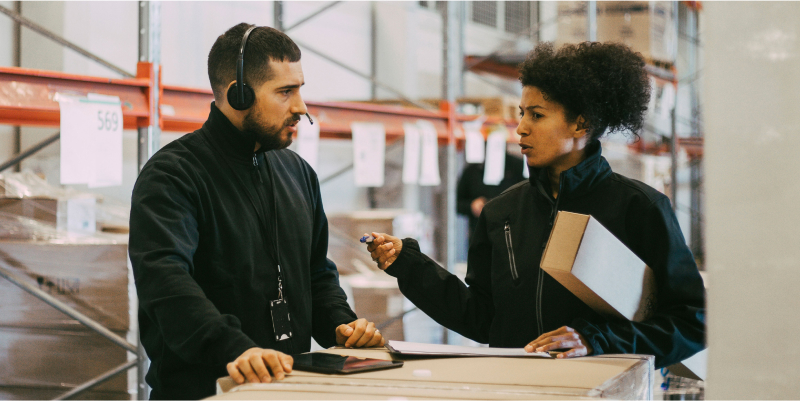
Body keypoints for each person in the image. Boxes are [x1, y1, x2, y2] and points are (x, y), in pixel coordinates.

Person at [366, 42, 705, 368]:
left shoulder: (640, 208)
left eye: (537, 115)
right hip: (516, 389)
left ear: (581, 122)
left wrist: (596, 340)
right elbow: (483, 319)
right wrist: (410, 266)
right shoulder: (501, 212)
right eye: (521, 113)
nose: (521, 128)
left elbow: (694, 323)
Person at [129, 24, 383, 400]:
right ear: (239, 94)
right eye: (285, 92)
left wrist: (342, 327)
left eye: (299, 90)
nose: (301, 107)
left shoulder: (298, 173)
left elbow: (316, 275)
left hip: (289, 387)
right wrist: (237, 350)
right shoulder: (173, 175)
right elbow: (165, 284)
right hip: (206, 391)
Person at [456, 152, 526, 241]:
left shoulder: (517, 166)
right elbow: (456, 203)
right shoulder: (473, 168)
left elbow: (529, 202)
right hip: (480, 236)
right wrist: (471, 206)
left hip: (512, 236)